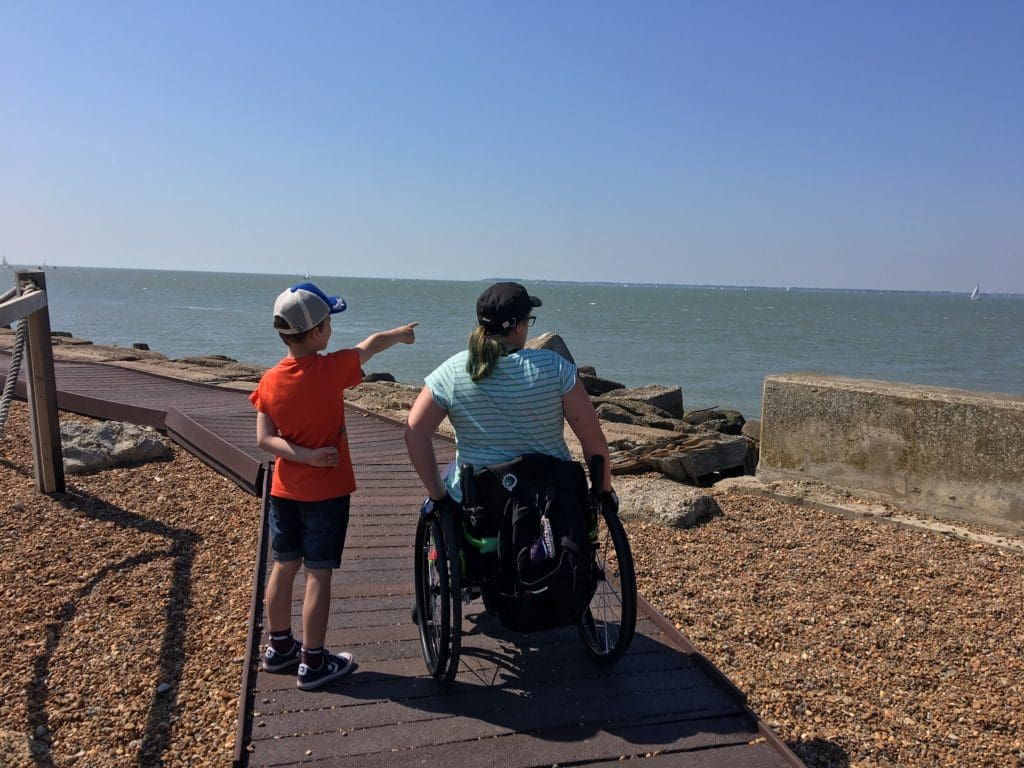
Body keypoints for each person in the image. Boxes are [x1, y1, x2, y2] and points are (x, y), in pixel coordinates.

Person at [250, 281, 416, 690]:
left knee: (284, 565)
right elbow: (371, 345)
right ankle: (313, 662)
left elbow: (263, 439)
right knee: (318, 575)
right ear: (317, 333)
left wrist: (301, 456)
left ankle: (279, 647)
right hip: (326, 494)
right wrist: (402, 335)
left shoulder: (271, 379)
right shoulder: (330, 369)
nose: (330, 329)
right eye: (328, 322)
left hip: (284, 492)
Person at [404, 279, 615, 528]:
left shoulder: (452, 371)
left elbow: (415, 431)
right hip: (552, 502)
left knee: (451, 474)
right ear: (518, 326)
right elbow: (593, 440)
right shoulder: (555, 367)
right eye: (529, 320)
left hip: (483, 507)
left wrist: (438, 496)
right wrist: (603, 493)